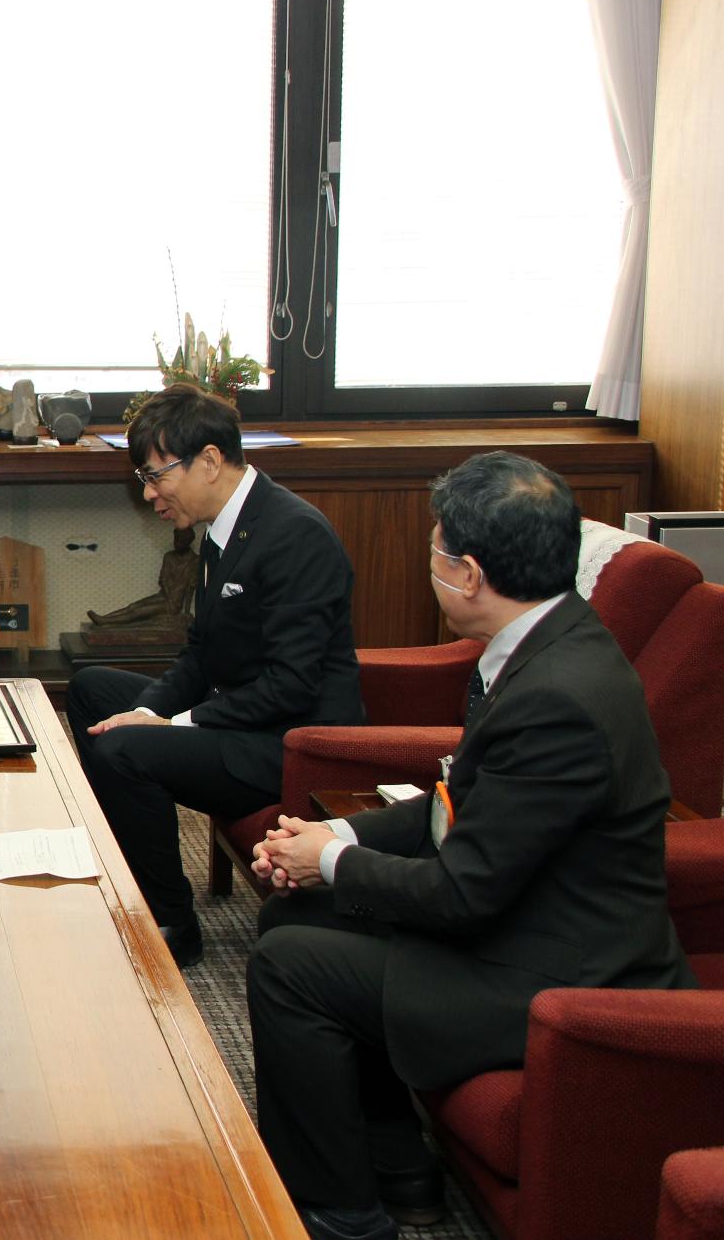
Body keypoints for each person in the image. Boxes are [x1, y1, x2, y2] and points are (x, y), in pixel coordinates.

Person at [249, 451, 693, 1240]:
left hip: (561, 970)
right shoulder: (543, 643)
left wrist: (330, 860)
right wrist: (334, 836)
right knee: (295, 919)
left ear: (470, 572)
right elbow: (462, 806)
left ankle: (338, 1215)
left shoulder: (557, 696)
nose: (433, 565)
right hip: (525, 921)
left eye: (435, 551)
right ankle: (397, 1165)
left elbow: (462, 892)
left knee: (291, 967)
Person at [67, 384, 365, 967]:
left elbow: (292, 685)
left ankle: (172, 922)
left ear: (208, 459)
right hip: (240, 717)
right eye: (143, 480)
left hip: (291, 741)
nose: (150, 494)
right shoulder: (226, 530)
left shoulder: (294, 534)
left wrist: (177, 724)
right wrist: (153, 711)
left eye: (156, 476)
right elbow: (200, 654)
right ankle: (136, 875)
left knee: (123, 751)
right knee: (93, 690)